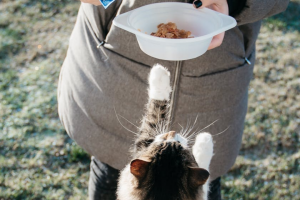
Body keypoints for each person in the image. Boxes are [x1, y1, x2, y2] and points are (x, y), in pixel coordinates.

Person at [57, 0, 289, 199]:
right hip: (116, 74)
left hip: (217, 89)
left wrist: (236, 2)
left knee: (197, 180)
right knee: (109, 167)